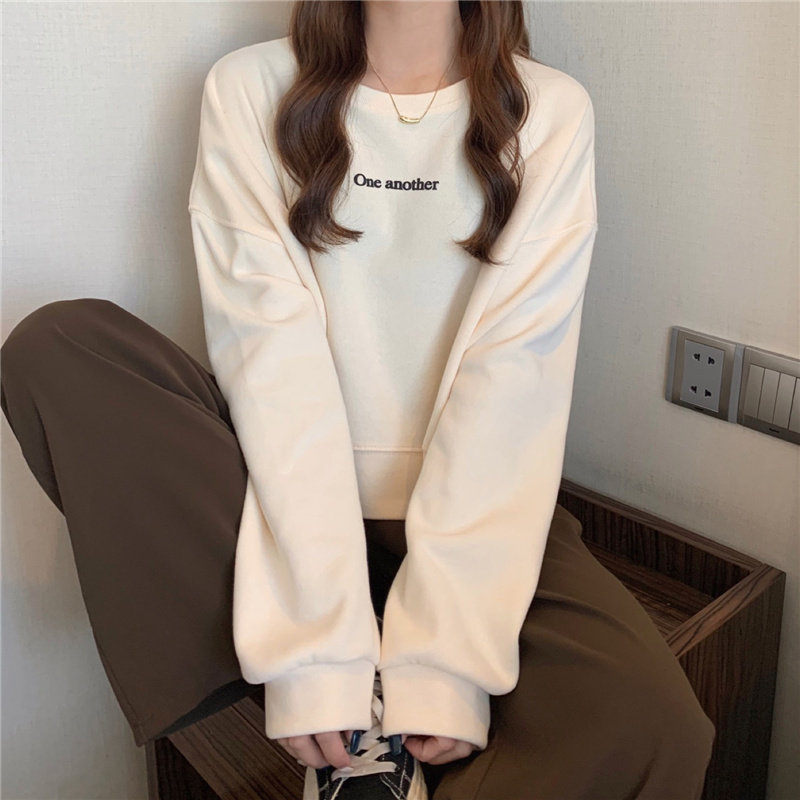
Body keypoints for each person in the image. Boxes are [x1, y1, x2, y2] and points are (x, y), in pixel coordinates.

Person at [0, 1, 717, 798]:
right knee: (58, 347)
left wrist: (447, 662)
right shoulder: (249, 88)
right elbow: (271, 364)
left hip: (481, 510)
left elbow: (514, 384)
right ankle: (350, 699)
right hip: (278, 497)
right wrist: (317, 658)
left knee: (657, 725)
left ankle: (376, 708)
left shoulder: (549, 111)